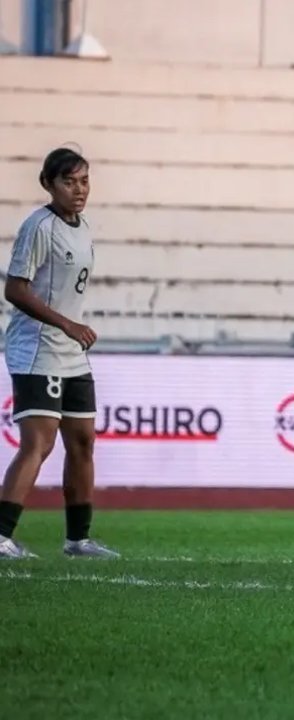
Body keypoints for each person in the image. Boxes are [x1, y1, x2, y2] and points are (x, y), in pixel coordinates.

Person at [0, 146, 117, 560]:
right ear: (48, 184)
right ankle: (1, 535)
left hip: (70, 352)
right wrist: (66, 324)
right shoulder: (39, 227)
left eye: (84, 180)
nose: (79, 189)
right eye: (69, 182)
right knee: (39, 443)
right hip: (36, 348)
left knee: (83, 442)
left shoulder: (82, 226)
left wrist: (72, 329)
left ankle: (78, 540)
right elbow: (14, 289)